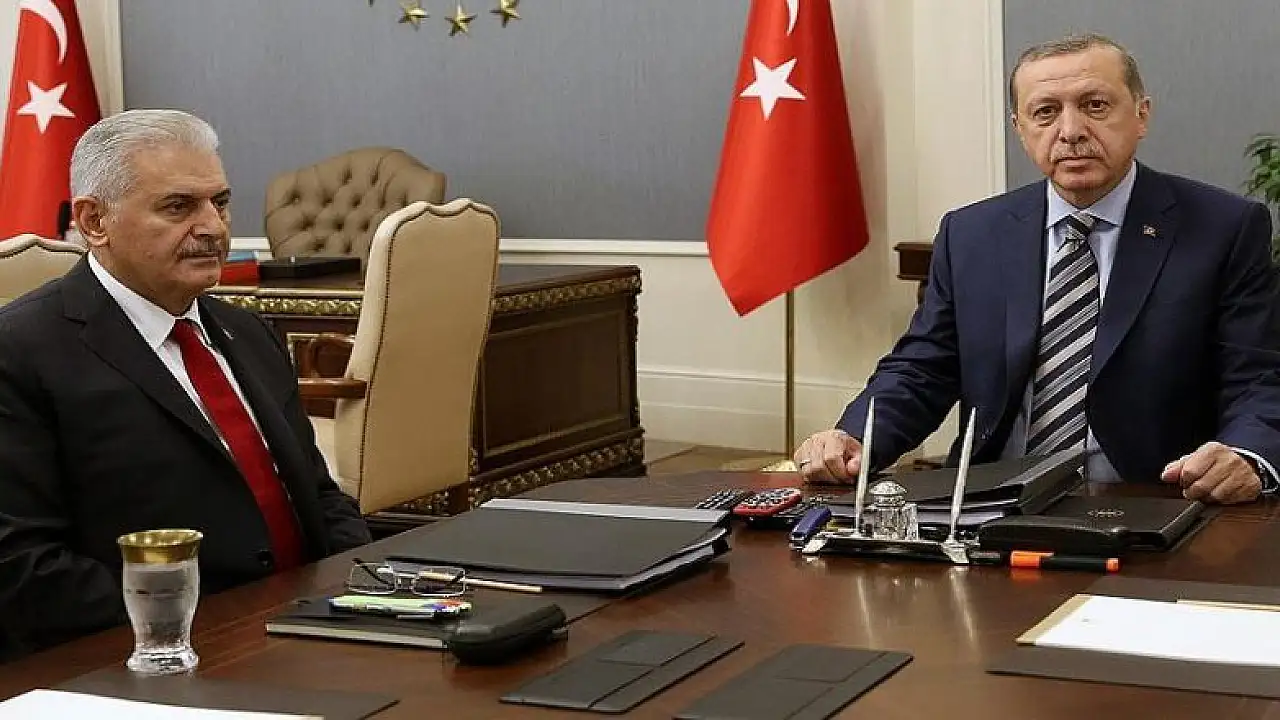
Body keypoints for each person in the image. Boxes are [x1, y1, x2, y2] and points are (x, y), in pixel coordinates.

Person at [794, 34, 1280, 505]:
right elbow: (924, 367)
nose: (1070, 131)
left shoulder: (1223, 228)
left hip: (1154, 500)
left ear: (1141, 115)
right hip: (989, 501)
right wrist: (855, 437)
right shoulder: (972, 233)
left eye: (1095, 105)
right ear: (1020, 128)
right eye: (1045, 112)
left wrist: (1246, 455)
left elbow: (1258, 375)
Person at [0, 109, 372, 660]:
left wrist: (356, 589)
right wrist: (205, 629)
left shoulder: (248, 332)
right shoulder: (21, 351)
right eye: (178, 207)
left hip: (312, 630)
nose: (213, 227)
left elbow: (317, 495)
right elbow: (22, 565)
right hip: (151, 654)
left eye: (220, 202)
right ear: (94, 221)